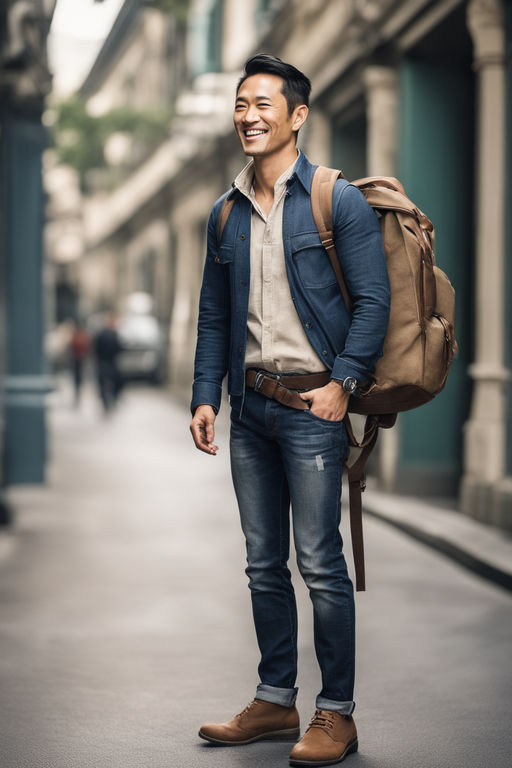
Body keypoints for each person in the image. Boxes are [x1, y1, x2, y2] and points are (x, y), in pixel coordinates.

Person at [190, 54, 390, 766]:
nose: (248, 115)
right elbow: (215, 317)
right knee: (262, 563)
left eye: (263, 104)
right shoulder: (225, 212)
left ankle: (337, 713)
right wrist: (204, 396)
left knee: (319, 562)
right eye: (241, 103)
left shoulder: (336, 199)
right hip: (250, 410)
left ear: (297, 115)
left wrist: (344, 384)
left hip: (314, 407)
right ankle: (277, 699)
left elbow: (373, 303)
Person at [93, 312, 124, 413]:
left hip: (104, 361)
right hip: (110, 361)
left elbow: (95, 349)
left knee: (104, 383)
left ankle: (106, 402)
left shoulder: (102, 334)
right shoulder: (114, 334)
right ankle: (111, 400)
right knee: (113, 381)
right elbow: (120, 348)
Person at [69, 321, 91, 407]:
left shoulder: (79, 337)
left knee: (78, 378)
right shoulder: (81, 337)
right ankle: (78, 393)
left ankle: (78, 393)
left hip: (79, 360)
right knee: (78, 378)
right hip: (78, 360)